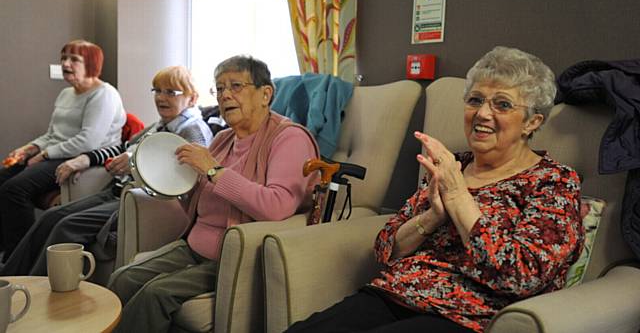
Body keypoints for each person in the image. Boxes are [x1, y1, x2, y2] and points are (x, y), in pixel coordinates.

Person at [286, 46, 585, 333]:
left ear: (532, 122)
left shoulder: (553, 182)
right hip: (395, 293)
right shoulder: (452, 165)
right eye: (475, 100)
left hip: (467, 315)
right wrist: (432, 218)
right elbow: (386, 248)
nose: (482, 114)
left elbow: (521, 276)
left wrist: (458, 198)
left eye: (502, 104)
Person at [106, 55, 319, 333]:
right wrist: (170, 181)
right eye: (219, 88)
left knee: (154, 294)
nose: (225, 95)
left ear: (265, 94)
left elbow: (276, 206)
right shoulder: (223, 139)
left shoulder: (289, 138)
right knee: (123, 278)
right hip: (194, 247)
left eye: (236, 86)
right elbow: (198, 203)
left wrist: (214, 171)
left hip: (236, 258)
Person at [0, 65, 213, 276]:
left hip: (136, 199)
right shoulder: (158, 127)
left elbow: (190, 180)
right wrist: (85, 158)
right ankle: (11, 278)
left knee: (67, 226)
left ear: (192, 98)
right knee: (51, 217)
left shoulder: (192, 130)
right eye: (157, 90)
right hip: (115, 191)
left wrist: (134, 162)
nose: (160, 97)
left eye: (171, 92)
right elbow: (122, 147)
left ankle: (34, 290)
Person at [0, 39, 125, 260]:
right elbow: (52, 133)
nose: (66, 64)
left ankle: (18, 256)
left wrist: (45, 154)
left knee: (15, 190)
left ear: (92, 64)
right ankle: (5, 249)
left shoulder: (104, 94)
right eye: (63, 59)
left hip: (79, 158)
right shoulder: (66, 94)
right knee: (2, 178)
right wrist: (29, 149)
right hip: (54, 153)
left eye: (74, 60)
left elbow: (89, 141)